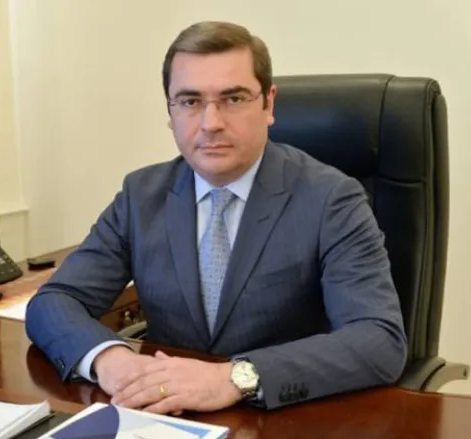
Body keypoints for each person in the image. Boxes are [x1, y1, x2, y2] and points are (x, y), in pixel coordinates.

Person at [25, 21, 407, 413]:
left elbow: (379, 340)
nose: (211, 123)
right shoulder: (141, 196)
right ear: (170, 112)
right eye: (190, 101)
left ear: (268, 104)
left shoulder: (331, 199)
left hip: (280, 417)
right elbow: (54, 301)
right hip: (164, 416)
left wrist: (235, 377)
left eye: (234, 98)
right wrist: (112, 360)